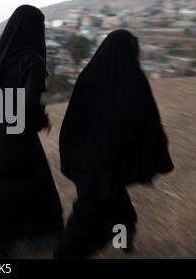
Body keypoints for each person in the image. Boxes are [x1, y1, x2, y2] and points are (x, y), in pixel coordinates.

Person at [55, 29, 174, 259]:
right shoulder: (135, 80)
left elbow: (73, 118)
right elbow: (149, 122)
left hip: (86, 158)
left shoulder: (89, 76)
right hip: (114, 159)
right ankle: (119, 235)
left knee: (95, 204)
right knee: (102, 202)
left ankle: (70, 252)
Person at [0, 5, 64, 258]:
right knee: (36, 184)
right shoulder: (32, 61)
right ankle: (40, 234)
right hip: (18, 136)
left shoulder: (3, 55)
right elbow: (28, 104)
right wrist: (40, 119)